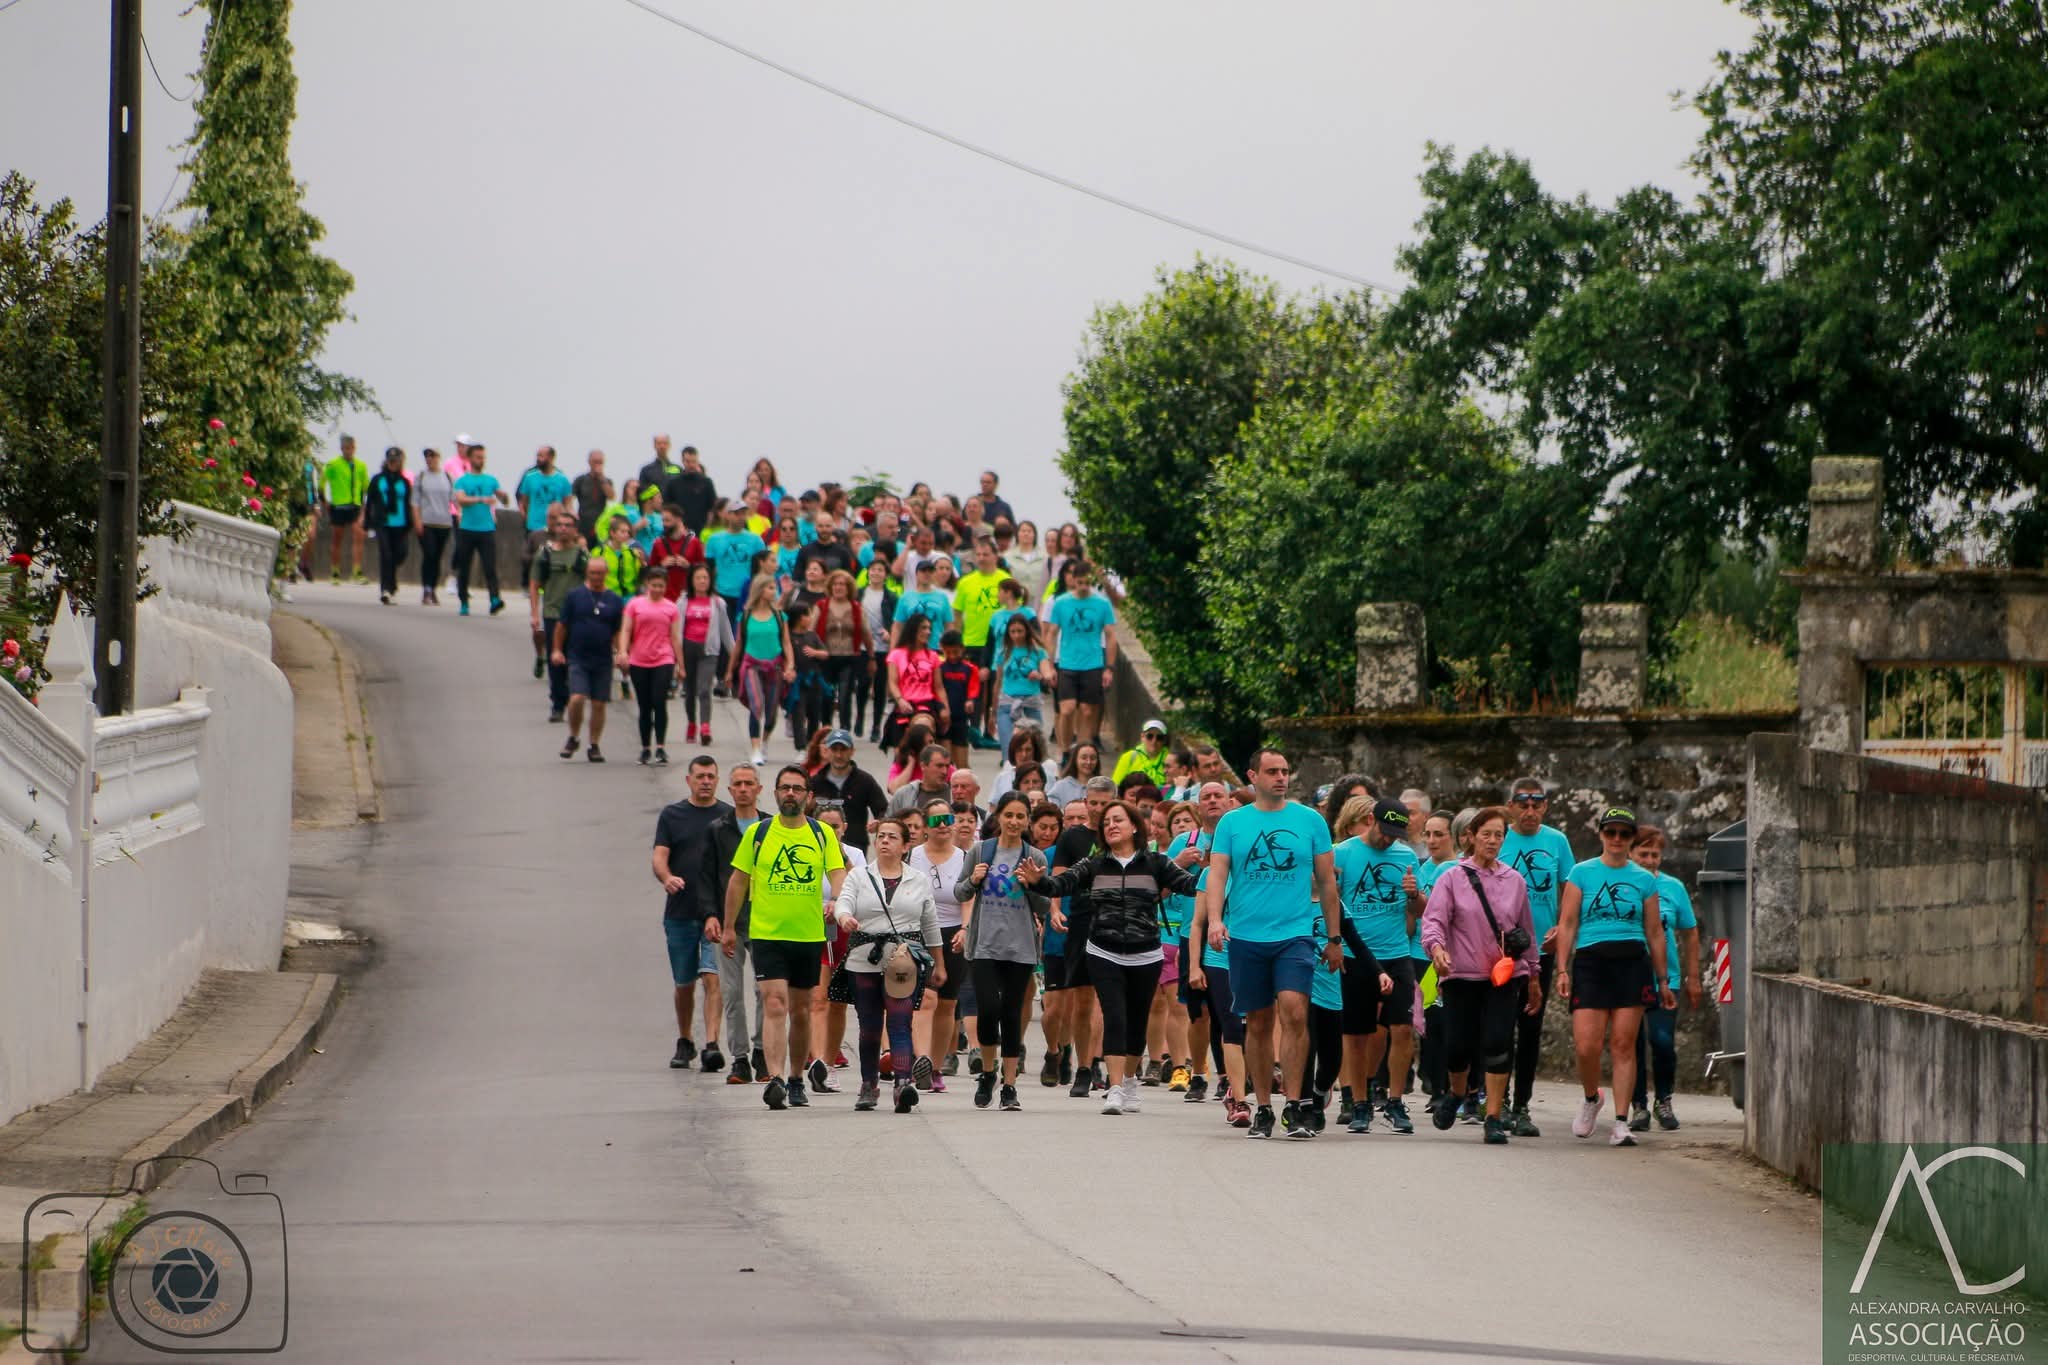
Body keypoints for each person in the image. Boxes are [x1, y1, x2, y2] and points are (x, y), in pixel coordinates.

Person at [1194, 747, 1348, 1140]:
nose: (1281, 777)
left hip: (1295, 934)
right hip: (1246, 936)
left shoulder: (1310, 821)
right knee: (1258, 1022)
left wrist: (1334, 938)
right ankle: (1263, 1105)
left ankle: (1293, 1106)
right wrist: (1215, 920)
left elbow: (1328, 883)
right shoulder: (1233, 822)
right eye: (1272, 771)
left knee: (1295, 1012)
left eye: (1285, 771)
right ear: (1253, 776)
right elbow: (1217, 874)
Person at [1020, 800, 1202, 1115]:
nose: (1111, 826)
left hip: (1146, 954)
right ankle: (1115, 1089)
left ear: (1134, 826)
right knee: (1114, 1015)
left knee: (1136, 1021)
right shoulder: (1094, 864)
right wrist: (1038, 881)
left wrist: (1217, 870)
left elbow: (1191, 886)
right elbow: (1059, 885)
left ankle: (1130, 1080)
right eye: (1106, 822)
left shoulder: (1156, 862)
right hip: (1103, 951)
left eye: (1118, 820)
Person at [713, 766, 847, 1110]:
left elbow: (838, 873)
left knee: (801, 1011)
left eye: (797, 789)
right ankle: (774, 1079)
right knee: (774, 1003)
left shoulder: (821, 835)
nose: (791, 794)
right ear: (774, 794)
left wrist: (839, 903)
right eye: (785, 788)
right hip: (767, 933)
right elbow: (738, 881)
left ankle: (796, 1078)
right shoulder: (758, 833)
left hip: (808, 934)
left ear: (808, 796)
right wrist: (729, 927)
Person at [1420, 805, 1543, 1145]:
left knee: (1497, 1042)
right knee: (1458, 1047)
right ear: (1470, 837)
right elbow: (1433, 921)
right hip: (1461, 974)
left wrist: (1533, 975)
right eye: (1486, 834)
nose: (1492, 841)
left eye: (1498, 835)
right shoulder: (1452, 878)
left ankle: (1492, 1116)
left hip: (1504, 976)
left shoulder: (1515, 881)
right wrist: (1437, 949)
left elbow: (1527, 932)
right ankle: (1458, 1093)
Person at [1555, 806, 1672, 1148]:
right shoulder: (1581, 873)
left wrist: (1663, 980)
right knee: (1587, 1045)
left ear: (1632, 838)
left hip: (1631, 962)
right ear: (1602, 835)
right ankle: (1592, 1097)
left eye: (1624, 834)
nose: (1617, 839)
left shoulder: (1643, 879)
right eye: (1611, 833)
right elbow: (1568, 923)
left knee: (1623, 1044)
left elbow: (1654, 931)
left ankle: (1621, 1122)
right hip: (1592, 961)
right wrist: (1562, 969)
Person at [829, 816, 943, 1112]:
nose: (885, 841)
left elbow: (930, 925)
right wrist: (844, 917)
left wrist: (938, 964)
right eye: (881, 836)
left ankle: (903, 1084)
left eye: (893, 837)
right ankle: (869, 1084)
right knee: (869, 1026)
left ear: (906, 845)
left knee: (899, 1021)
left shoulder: (918, 880)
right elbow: (844, 900)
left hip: (903, 959)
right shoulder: (859, 876)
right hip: (864, 956)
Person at [1330, 798, 1424, 1135]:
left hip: (1397, 952)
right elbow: (1328, 900)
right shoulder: (1343, 852)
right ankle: (1359, 1102)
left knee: (1402, 1028)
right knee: (1357, 1033)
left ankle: (1395, 1101)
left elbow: (1422, 911)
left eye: (1396, 834)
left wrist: (1414, 895)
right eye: (1385, 831)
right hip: (1356, 955)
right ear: (1370, 819)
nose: (1389, 840)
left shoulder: (1407, 857)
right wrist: (1334, 942)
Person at [956, 793, 1049, 1111]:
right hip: (984, 944)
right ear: (999, 818)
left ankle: (1009, 1086)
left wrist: (1033, 884)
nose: (1014, 822)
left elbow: (1044, 905)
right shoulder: (981, 850)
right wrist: (974, 878)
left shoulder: (1034, 856)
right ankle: (986, 1073)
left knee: (1011, 1013)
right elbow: (960, 890)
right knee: (987, 1007)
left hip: (1019, 946)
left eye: (1020, 816)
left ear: (1027, 821)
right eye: (1009, 815)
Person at [1500, 776, 1577, 1138]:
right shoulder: (1499, 837)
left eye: (1537, 804)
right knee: (1498, 1026)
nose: (1530, 811)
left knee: (1530, 1028)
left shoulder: (1557, 841)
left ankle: (1521, 1105)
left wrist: (1562, 929)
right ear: (1511, 805)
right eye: (1523, 803)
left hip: (1538, 951)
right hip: (1498, 950)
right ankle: (1493, 1102)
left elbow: (1570, 894)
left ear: (1545, 806)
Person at [653, 755, 731, 1072]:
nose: (705, 781)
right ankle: (685, 1040)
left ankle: (712, 1044)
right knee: (685, 981)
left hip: (716, 912)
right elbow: (659, 856)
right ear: (689, 780)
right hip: (681, 911)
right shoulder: (673, 815)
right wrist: (667, 877)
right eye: (700, 776)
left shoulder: (727, 816)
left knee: (712, 976)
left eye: (711, 776)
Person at [1629, 825, 1700, 1132]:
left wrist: (1693, 976)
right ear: (1631, 853)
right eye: (1643, 853)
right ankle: (1638, 1105)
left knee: (1662, 1041)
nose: (1649, 860)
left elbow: (1690, 931)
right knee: (1630, 1043)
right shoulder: (1623, 883)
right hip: (1628, 974)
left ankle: (1664, 1099)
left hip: (1665, 978)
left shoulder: (1673, 887)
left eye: (1655, 854)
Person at [1170, 782, 1234, 1111]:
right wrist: (1180, 862)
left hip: (1232, 932)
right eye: (1206, 797)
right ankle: (1198, 1072)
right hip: (1191, 931)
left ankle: (1228, 1074)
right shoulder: (1185, 842)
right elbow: (1161, 889)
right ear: (1197, 806)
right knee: (1198, 1011)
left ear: (1229, 802)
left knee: (1228, 1012)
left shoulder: (1238, 836)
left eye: (1217, 796)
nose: (1212, 801)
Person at [709, 765, 768, 1083]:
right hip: (730, 920)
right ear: (729, 791)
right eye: (737, 784)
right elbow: (707, 876)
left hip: (765, 920)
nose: (743, 789)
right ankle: (740, 1057)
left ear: (759, 789)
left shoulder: (771, 827)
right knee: (731, 991)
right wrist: (711, 915)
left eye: (749, 784)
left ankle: (762, 1051)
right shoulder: (718, 828)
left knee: (765, 990)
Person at [908, 796, 968, 1090]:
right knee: (925, 1000)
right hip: (919, 933)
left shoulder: (964, 857)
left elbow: (969, 897)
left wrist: (966, 929)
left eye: (948, 819)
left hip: (953, 932)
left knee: (947, 1004)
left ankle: (935, 1065)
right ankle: (921, 1061)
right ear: (925, 826)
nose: (943, 825)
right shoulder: (913, 856)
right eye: (935, 821)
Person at [554, 555, 624, 762]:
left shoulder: (614, 600)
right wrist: (557, 650)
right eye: (593, 573)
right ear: (587, 573)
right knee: (576, 698)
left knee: (599, 704)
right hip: (578, 657)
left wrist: (621, 652)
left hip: (602, 659)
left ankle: (594, 744)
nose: (596, 577)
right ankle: (574, 736)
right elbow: (562, 626)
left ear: (606, 574)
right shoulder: (574, 596)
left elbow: (618, 630)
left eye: (600, 573)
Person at [1044, 560, 1118, 751]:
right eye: (1080, 583)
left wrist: (1109, 668)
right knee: (1066, 709)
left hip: (1092, 663)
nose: (1084, 587)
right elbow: (1051, 633)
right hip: (1067, 663)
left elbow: (1110, 636)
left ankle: (1083, 750)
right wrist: (1049, 664)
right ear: (1073, 581)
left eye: (1087, 583)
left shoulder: (1102, 604)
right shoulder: (1061, 603)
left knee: (1087, 710)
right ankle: (1065, 750)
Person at [619, 566, 683, 765]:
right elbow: (626, 630)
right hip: (639, 659)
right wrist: (623, 651)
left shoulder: (671, 608)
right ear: (647, 584)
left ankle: (661, 747)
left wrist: (681, 664)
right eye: (654, 585)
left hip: (663, 659)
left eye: (661, 586)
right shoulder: (635, 605)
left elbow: (674, 637)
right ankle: (646, 747)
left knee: (659, 701)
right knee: (644, 705)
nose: (657, 589)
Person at [528, 514, 589, 722]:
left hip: (578, 615)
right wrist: (535, 613)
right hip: (553, 613)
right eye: (559, 525)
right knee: (555, 660)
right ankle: (557, 704)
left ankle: (573, 697)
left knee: (575, 659)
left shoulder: (581, 555)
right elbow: (535, 584)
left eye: (567, 525)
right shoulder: (544, 554)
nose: (563, 529)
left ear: (575, 530)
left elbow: (592, 583)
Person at [728, 578, 795, 767]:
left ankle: (764, 740)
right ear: (759, 590)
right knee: (756, 705)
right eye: (770, 587)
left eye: (774, 587)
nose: (774, 591)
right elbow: (739, 644)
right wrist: (729, 670)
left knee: (771, 712)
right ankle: (755, 748)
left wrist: (790, 664)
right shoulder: (746, 616)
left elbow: (786, 642)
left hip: (775, 666)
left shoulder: (779, 615)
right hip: (751, 665)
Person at [450, 442, 510, 616]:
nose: (481, 460)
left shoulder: (490, 480)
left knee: (489, 566)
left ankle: (494, 599)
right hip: (467, 529)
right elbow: (460, 499)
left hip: (487, 529)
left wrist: (504, 497)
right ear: (470, 458)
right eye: (478, 457)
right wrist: (481, 499)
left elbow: (502, 497)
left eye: (483, 457)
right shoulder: (462, 480)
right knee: (464, 567)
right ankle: (464, 602)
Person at [677, 563, 734, 746]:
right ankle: (692, 723)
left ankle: (705, 727)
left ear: (710, 581)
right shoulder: (683, 601)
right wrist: (676, 659)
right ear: (692, 581)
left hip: (709, 651)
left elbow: (726, 631)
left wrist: (734, 656)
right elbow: (676, 630)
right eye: (698, 578)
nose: (702, 581)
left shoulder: (718, 603)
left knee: (704, 689)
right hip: (687, 649)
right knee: (690, 690)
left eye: (705, 578)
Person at [810, 729, 888, 852]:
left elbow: (883, 809)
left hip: (856, 846)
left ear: (852, 751)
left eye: (843, 750)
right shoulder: (814, 782)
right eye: (834, 749)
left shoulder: (865, 781)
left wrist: (880, 823)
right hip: (819, 846)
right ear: (826, 751)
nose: (838, 755)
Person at [814, 570, 870, 733]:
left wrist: (871, 656)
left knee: (845, 694)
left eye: (842, 584)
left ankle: (845, 729)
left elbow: (866, 632)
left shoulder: (856, 608)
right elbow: (811, 631)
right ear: (830, 586)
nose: (839, 587)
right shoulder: (821, 606)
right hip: (826, 657)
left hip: (849, 657)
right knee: (827, 695)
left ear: (849, 587)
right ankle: (826, 727)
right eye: (836, 584)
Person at [362, 446, 414, 605]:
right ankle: (386, 588)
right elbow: (370, 501)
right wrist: (367, 521)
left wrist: (411, 522)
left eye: (396, 461)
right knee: (386, 554)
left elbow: (408, 503)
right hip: (382, 522)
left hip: (400, 523)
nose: (393, 463)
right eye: (390, 461)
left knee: (400, 554)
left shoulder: (404, 482)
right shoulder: (378, 479)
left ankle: (392, 583)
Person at [516, 445, 573, 588]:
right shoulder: (529, 477)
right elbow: (524, 500)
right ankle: (529, 584)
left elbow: (568, 503)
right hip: (534, 524)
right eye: (538, 456)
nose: (538, 459)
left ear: (551, 458)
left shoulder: (562, 479)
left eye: (542, 456)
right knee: (530, 557)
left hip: (556, 526)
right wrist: (525, 516)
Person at [704, 499, 767, 627]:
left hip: (747, 593)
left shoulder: (755, 540)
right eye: (736, 513)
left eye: (743, 513)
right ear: (727, 515)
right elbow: (708, 567)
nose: (740, 517)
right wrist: (711, 590)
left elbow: (761, 569)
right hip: (722, 592)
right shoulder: (714, 539)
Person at [885, 615, 944, 749]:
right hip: (904, 704)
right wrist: (900, 700)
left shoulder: (933, 656)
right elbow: (892, 682)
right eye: (923, 628)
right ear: (913, 629)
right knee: (901, 752)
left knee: (923, 730)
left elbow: (939, 687)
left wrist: (946, 709)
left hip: (926, 705)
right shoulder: (897, 654)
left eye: (929, 628)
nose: (928, 632)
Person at [855, 560, 896, 743]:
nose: (876, 573)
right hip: (862, 645)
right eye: (873, 570)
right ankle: (860, 716)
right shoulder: (859, 593)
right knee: (862, 683)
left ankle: (877, 725)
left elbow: (896, 621)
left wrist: (890, 632)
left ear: (885, 575)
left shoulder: (891, 597)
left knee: (880, 687)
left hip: (882, 647)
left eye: (880, 570)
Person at [322, 434, 370, 583]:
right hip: (338, 505)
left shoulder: (360, 466)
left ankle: (356, 570)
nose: (349, 451)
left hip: (355, 505)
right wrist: (325, 502)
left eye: (351, 448)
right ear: (342, 449)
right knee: (337, 539)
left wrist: (364, 506)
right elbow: (322, 483)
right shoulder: (333, 464)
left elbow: (365, 487)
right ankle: (335, 571)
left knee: (359, 536)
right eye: (346, 448)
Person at [414, 447, 455, 604]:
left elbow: (454, 500)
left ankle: (433, 588)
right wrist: (417, 520)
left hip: (443, 523)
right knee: (429, 555)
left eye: (432, 456)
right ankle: (427, 588)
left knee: (437, 558)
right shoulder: (422, 476)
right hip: (427, 522)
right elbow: (415, 501)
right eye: (427, 456)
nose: (429, 459)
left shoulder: (447, 477)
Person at [661, 444, 719, 535]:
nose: (691, 465)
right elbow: (666, 508)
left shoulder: (706, 482)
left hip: (701, 531)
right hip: (678, 532)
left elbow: (712, 508)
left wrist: (707, 527)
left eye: (694, 461)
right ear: (683, 461)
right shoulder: (673, 483)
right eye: (688, 462)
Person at [648, 508, 703, 601]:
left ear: (679, 520)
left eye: (667, 520)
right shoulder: (658, 543)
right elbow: (650, 572)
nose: (664, 524)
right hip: (663, 597)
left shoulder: (694, 542)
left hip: (688, 596)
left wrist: (689, 566)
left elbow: (703, 569)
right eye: (663, 521)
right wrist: (661, 566)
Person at [887, 743, 953, 817]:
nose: (944, 771)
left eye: (947, 766)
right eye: (939, 766)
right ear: (923, 766)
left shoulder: (953, 795)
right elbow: (889, 822)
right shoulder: (904, 795)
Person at [1112, 719, 1170, 789]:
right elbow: (1115, 785)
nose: (1154, 741)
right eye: (1150, 736)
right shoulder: (1128, 757)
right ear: (1142, 737)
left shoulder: (1170, 759)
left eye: (1159, 738)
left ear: (1164, 740)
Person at [1046, 739, 1104, 809]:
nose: (1088, 762)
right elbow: (1050, 810)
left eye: (1093, 758)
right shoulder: (1061, 786)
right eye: (1084, 758)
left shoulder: (1104, 787)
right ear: (1075, 760)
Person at [571, 450, 609, 546]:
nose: (597, 464)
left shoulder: (607, 481)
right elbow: (570, 498)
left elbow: (612, 496)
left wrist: (602, 478)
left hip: (601, 523)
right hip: (584, 523)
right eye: (595, 461)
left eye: (600, 462)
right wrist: (572, 514)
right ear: (589, 462)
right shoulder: (581, 480)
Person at [637, 433, 682, 501]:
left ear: (669, 445)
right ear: (654, 445)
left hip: (673, 508)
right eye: (659, 443)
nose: (662, 446)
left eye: (665, 443)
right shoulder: (646, 470)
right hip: (654, 510)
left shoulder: (678, 469)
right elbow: (642, 494)